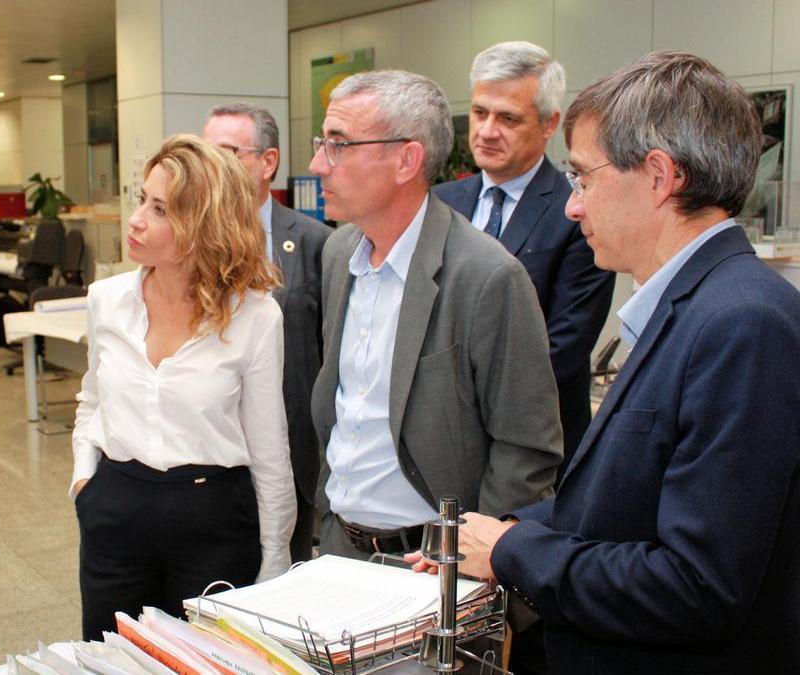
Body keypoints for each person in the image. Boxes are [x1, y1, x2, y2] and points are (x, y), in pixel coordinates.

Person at [410, 52, 800, 674]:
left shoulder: (741, 323)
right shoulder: (696, 304)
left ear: (657, 177)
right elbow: (622, 504)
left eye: (584, 178)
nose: (572, 205)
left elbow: (695, 587)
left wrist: (515, 550)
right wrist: (495, 531)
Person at [307, 70, 561, 562]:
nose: (319, 163)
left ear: (406, 160)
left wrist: (469, 566)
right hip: (340, 548)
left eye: (339, 145)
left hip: (428, 563)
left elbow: (526, 449)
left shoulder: (487, 276)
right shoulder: (339, 253)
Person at [71, 134, 295, 640]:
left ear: (204, 227)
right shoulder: (106, 301)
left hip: (212, 520)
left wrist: (275, 558)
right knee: (111, 661)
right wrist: (85, 481)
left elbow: (269, 450)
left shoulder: (255, 317)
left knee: (210, 660)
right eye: (140, 200)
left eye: (160, 209)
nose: (136, 219)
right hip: (116, 512)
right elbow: (91, 401)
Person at [433, 42, 614, 472]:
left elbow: (563, 349)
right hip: (440, 446)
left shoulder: (576, 213)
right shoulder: (439, 204)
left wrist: (454, 396)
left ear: (550, 123)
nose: (487, 130)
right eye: (480, 113)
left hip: (532, 451)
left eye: (508, 118)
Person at [202, 102, 330, 563]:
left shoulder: (316, 242)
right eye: (204, 150)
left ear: (267, 163)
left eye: (228, 151)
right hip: (209, 453)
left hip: (290, 456)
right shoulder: (186, 242)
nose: (211, 163)